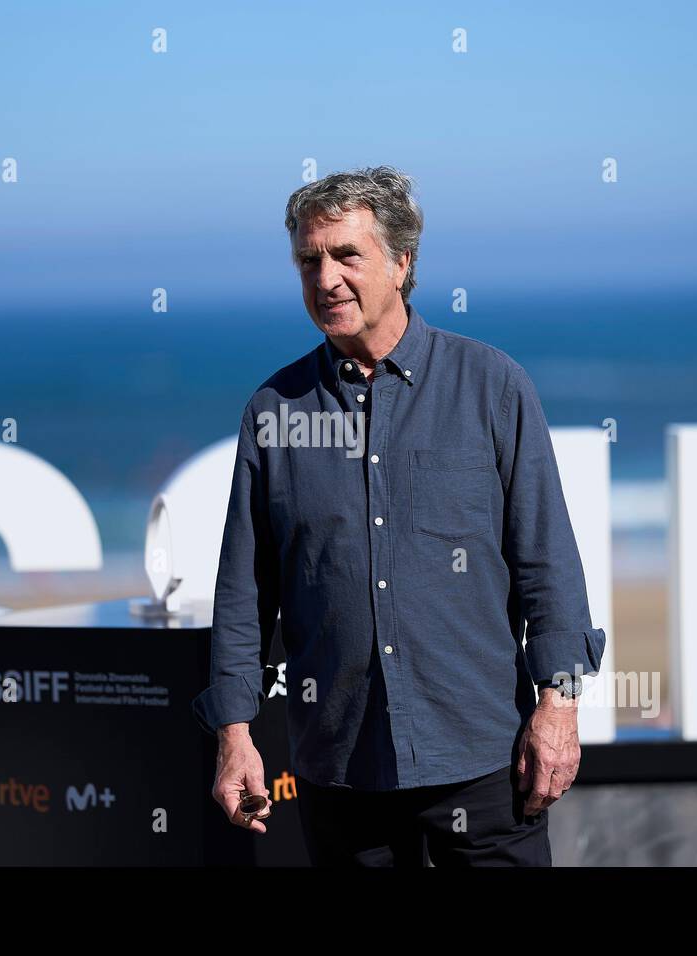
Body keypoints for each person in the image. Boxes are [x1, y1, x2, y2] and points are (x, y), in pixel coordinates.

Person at [192, 166, 606, 866]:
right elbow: (244, 593)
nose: (325, 279)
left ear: (402, 262)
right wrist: (235, 734)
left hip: (484, 767)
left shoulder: (492, 387)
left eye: (346, 255)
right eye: (308, 260)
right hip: (340, 776)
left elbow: (548, 565)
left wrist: (558, 706)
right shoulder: (275, 412)